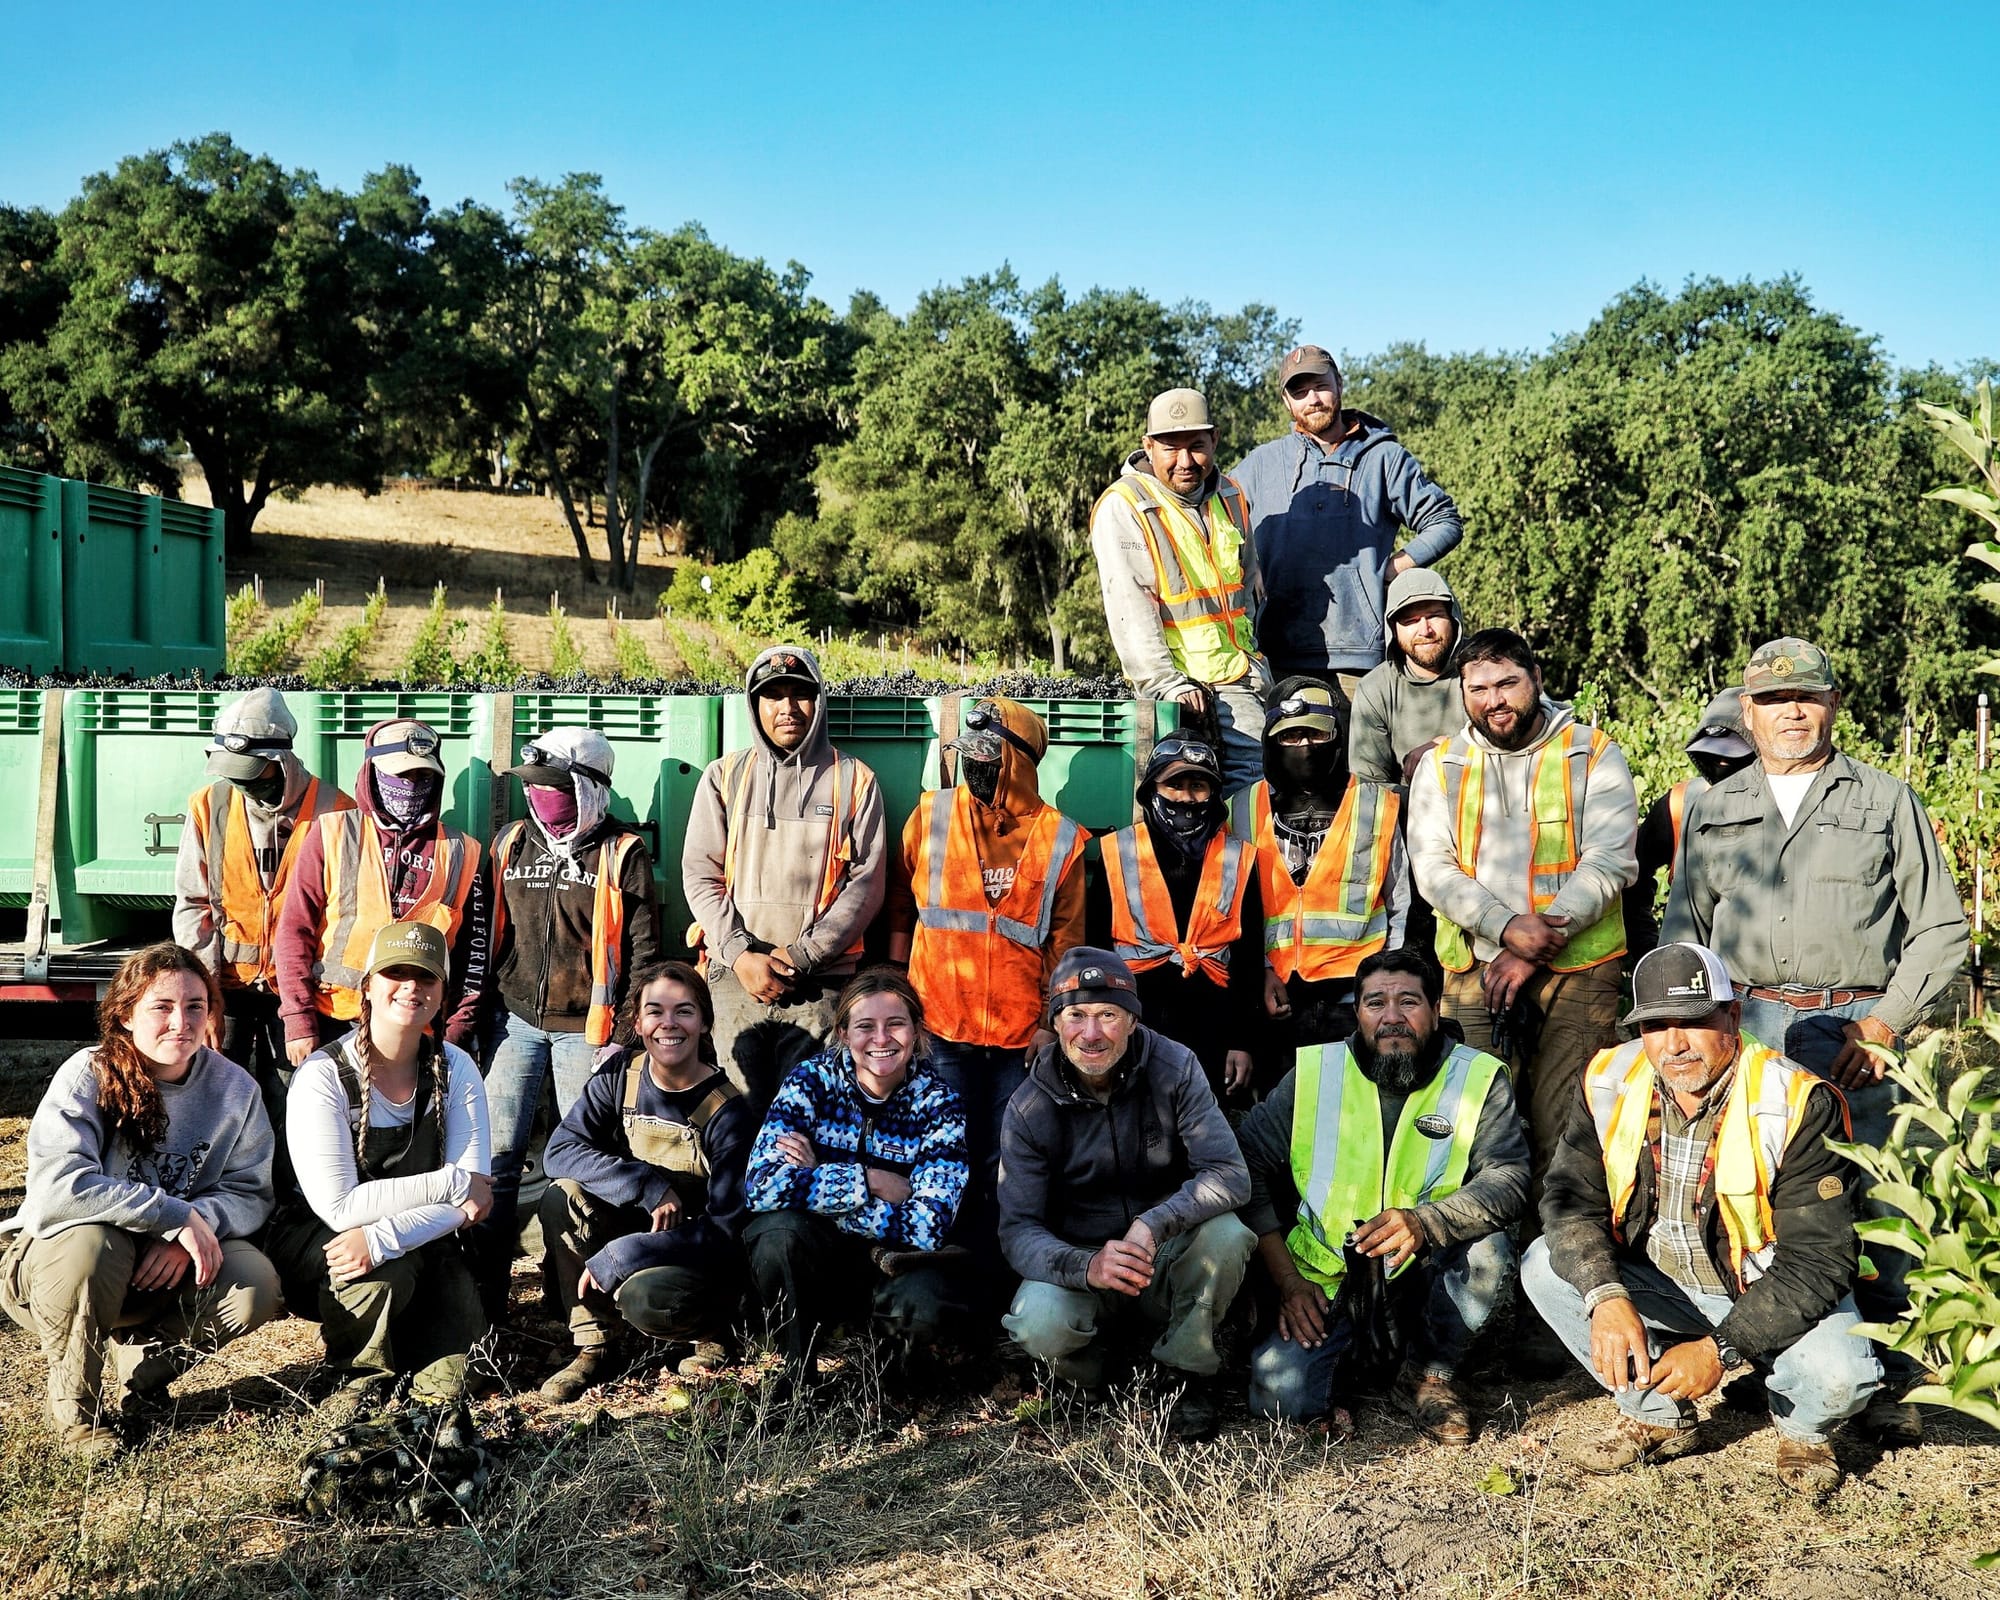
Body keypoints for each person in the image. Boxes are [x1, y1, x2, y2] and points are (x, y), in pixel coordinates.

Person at [1661, 637, 1968, 1445]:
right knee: (1747, 1197)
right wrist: (1691, 1036)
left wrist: (1883, 1022)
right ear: (1748, 713)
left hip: (1852, 1034)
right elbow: (1684, 935)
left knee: (1877, 1200)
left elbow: (1941, 930)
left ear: (1833, 704)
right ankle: (1763, 1354)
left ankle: (1893, 1376)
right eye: (1772, 700)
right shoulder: (1714, 809)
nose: (1791, 711)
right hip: (1745, 1031)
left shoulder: (1883, 801)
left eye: (1807, 696)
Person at [1521, 942, 1882, 1494]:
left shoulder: (1797, 1100)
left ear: (1733, 1017)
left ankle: (1802, 1428)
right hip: (1667, 1282)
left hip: (1768, 1288)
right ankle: (1656, 1414)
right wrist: (1606, 1297)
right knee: (1546, 1266)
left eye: (1693, 1021)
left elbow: (1819, 1262)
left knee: (1841, 1376)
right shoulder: (1609, 1078)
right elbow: (1570, 1202)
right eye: (1655, 1025)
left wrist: (1721, 1348)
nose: (1674, 1044)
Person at [0, 945, 280, 1460]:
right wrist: (173, 1215)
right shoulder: (89, 1073)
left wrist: (197, 1226)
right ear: (126, 1013)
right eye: (162, 1006)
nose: (182, 1021)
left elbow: (251, 1191)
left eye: (196, 1005)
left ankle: (142, 1370)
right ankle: (76, 1417)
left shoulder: (235, 1089)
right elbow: (57, 1188)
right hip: (59, 1264)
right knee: (93, 1242)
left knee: (255, 1285)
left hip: (159, 1268)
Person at [1240, 949, 1527, 1443]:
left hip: (1426, 1278)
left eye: (1408, 1002)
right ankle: (1352, 1360)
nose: (1391, 1017)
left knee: (1489, 1250)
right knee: (1279, 1399)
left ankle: (1428, 1374)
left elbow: (1510, 1178)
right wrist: (1286, 1281)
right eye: (1375, 1003)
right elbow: (1245, 1167)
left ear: (1436, 1009)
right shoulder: (1315, 1073)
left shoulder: (1478, 1077)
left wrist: (1425, 1222)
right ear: (1358, 1013)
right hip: (1327, 1281)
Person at [1406, 629, 1637, 1208]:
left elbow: (1612, 861)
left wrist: (1534, 940)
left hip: (1578, 973)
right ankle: (1485, 1276)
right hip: (1472, 973)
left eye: (1507, 683)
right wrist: (1506, 929)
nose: (1494, 700)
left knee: (1568, 1134)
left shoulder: (1592, 752)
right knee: (1474, 1130)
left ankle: (1555, 1271)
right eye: (1478, 688)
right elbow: (1432, 869)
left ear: (1535, 679)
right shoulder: (1442, 765)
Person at [998, 948, 1254, 1441]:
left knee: (1227, 1235)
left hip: (1162, 1256)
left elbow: (1229, 1172)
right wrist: (1086, 1266)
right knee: (1037, 1324)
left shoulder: (1175, 1067)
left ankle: (1186, 1373)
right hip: (1082, 1263)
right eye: (1076, 1016)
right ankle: (1099, 1378)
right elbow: (1018, 1230)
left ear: (1133, 1021)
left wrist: (1154, 1222)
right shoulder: (1029, 1105)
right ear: (1056, 1021)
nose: (1091, 1034)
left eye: (1108, 1016)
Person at [888, 696, 1088, 1274]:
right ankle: (936, 1261)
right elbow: (903, 899)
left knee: (1009, 1158)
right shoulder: (932, 814)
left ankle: (999, 1273)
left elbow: (1066, 946)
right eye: (967, 754)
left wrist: (1051, 1026)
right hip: (939, 1023)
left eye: (987, 755)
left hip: (1019, 1035)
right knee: (941, 1145)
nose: (973, 767)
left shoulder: (1063, 840)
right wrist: (902, 981)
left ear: (1019, 762)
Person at [267, 922, 493, 1419]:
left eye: (427, 977)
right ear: (367, 984)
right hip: (320, 1240)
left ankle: (407, 1334)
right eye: (396, 973)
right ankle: (355, 1374)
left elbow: (477, 1206)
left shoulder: (457, 1069)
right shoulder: (324, 1076)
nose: (412, 986)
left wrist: (386, 1235)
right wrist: (453, 1184)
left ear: (442, 993)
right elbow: (341, 1207)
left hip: (414, 1237)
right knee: (382, 1273)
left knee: (456, 1380)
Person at [476, 727, 661, 1316]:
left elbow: (643, 952)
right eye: (535, 786)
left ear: (589, 788)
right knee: (497, 1157)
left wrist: (625, 1038)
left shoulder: (623, 852)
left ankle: (578, 1301)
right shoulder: (509, 844)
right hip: (515, 1022)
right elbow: (482, 935)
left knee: (580, 1162)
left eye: (556, 788)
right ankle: (485, 1295)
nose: (542, 798)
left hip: (590, 1031)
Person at [742, 969, 969, 1396]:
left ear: (918, 1031)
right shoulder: (811, 1081)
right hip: (818, 1260)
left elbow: (928, 1226)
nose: (881, 1039)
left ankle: (885, 1379)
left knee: (924, 1308)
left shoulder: (940, 1103)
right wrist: (870, 1180)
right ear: (844, 1033)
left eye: (895, 1024)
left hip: (893, 1263)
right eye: (865, 1026)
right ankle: (798, 1374)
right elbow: (761, 1186)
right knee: (777, 1234)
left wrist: (816, 1183)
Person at [537, 960, 756, 1401]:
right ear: (637, 1022)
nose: (668, 1024)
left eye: (684, 1011)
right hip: (631, 1223)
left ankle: (712, 1334)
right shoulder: (620, 1077)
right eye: (655, 1011)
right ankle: (595, 1345)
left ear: (705, 1022)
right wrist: (648, 1185)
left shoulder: (728, 1110)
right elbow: (559, 1151)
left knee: (646, 1296)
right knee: (562, 1197)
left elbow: (728, 1226)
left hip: (694, 1252)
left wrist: (627, 1253)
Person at [683, 646, 888, 1115]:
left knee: (810, 1123)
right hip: (737, 983)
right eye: (772, 695)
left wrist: (801, 956)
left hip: (819, 987)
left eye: (801, 694)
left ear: (819, 701)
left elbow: (867, 884)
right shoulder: (725, 777)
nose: (788, 708)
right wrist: (741, 955)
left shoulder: (854, 780)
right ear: (754, 706)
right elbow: (699, 874)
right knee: (737, 1123)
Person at [1230, 344, 1464, 696]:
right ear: (1286, 402)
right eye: (1299, 391)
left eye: (1321, 386)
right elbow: (1214, 519)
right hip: (1276, 656)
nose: (1313, 398)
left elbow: (1444, 520)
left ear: (1339, 384)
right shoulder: (1261, 463)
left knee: (1361, 753)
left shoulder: (1385, 457)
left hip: (1361, 662)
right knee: (1289, 752)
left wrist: (1395, 566)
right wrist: (1250, 566)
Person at [175, 689, 354, 1105]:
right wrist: (205, 994)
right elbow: (192, 906)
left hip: (299, 989)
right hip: (227, 985)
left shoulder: (337, 811)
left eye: (251, 774)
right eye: (234, 775)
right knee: (215, 1094)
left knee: (291, 1097)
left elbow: (343, 914)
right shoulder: (209, 806)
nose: (242, 785)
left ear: (281, 761)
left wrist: (301, 1007)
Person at [274, 718, 488, 1064]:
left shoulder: (463, 851)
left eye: (423, 776)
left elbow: (472, 956)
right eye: (401, 775)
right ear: (371, 773)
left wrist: (455, 1033)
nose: (411, 785)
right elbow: (293, 932)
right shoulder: (332, 833)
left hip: (419, 1026)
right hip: (335, 1019)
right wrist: (298, 1020)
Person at [1089, 386, 1271, 793]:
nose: (1185, 462)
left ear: (1216, 440)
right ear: (1148, 446)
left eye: (1197, 446)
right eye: (1171, 448)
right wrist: (1168, 684)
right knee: (1247, 787)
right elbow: (1130, 610)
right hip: (1186, 690)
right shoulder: (1126, 505)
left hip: (1247, 676)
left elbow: (1247, 587)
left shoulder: (1231, 495)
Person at [1232, 678, 1409, 1065]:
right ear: (1270, 741)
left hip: (1356, 999)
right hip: (1276, 996)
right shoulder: (1241, 809)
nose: (1306, 747)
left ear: (1337, 737)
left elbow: (1400, 903)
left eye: (1316, 733)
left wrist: (1387, 984)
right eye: (1291, 736)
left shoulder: (1376, 804)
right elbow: (1234, 908)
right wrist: (1259, 971)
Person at [1086, 736, 1263, 1099]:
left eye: (1197, 786)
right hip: (1134, 1022)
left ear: (1214, 794)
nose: (1185, 797)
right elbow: (1095, 948)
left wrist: (1242, 1041)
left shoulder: (1239, 857)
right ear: (1152, 789)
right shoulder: (1118, 851)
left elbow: (1247, 959)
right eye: (1174, 784)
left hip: (1211, 1027)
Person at [1621, 688, 1754, 966]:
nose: (1723, 765)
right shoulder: (1681, 803)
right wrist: (1650, 951)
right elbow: (1631, 881)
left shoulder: (1789, 806)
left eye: (1735, 756)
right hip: (1690, 974)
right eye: (1715, 756)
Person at [1346, 567, 1468, 787]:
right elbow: (1370, 784)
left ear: (1453, 617)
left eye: (1434, 616)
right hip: (1411, 810)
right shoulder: (1376, 688)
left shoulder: (1485, 666)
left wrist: (1451, 747)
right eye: (1410, 621)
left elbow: (1533, 727)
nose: (1425, 630)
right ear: (1393, 628)